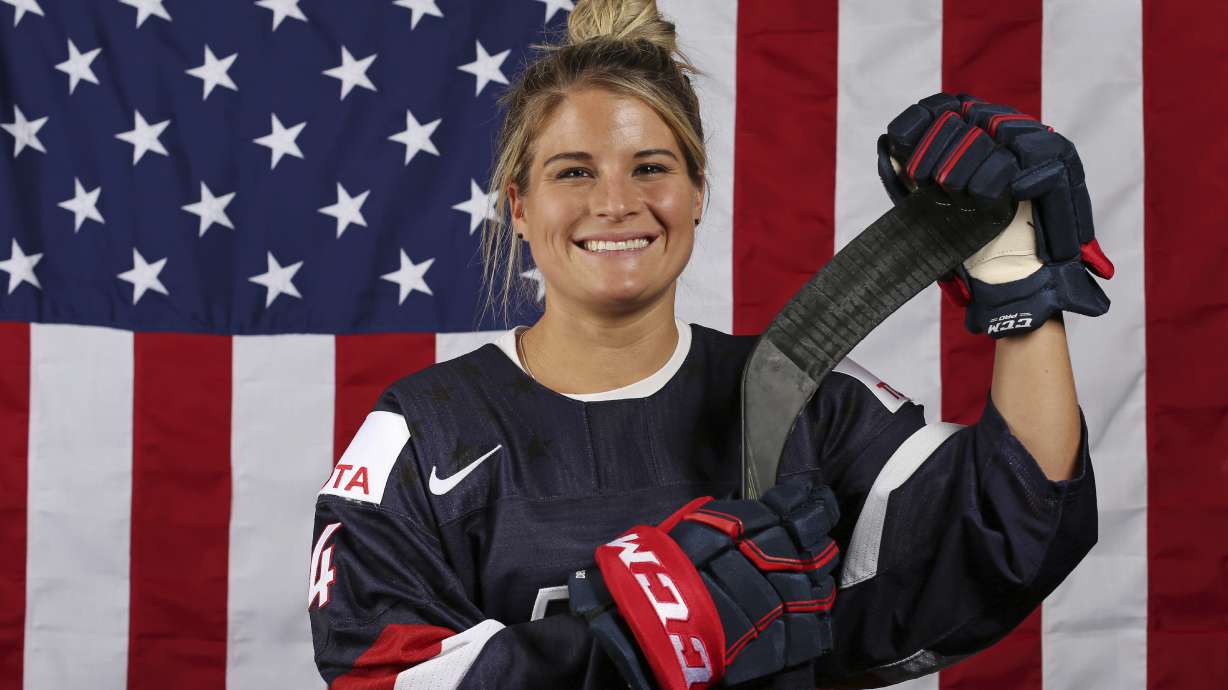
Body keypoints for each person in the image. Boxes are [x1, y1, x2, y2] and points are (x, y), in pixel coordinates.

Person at [307, 1, 1110, 688]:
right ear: (519, 207)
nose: (616, 202)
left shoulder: (798, 395)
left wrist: (1021, 290)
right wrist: (635, 645)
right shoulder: (425, 433)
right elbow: (377, 669)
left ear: (697, 194)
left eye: (650, 167)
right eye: (574, 173)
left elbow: (1009, 530)